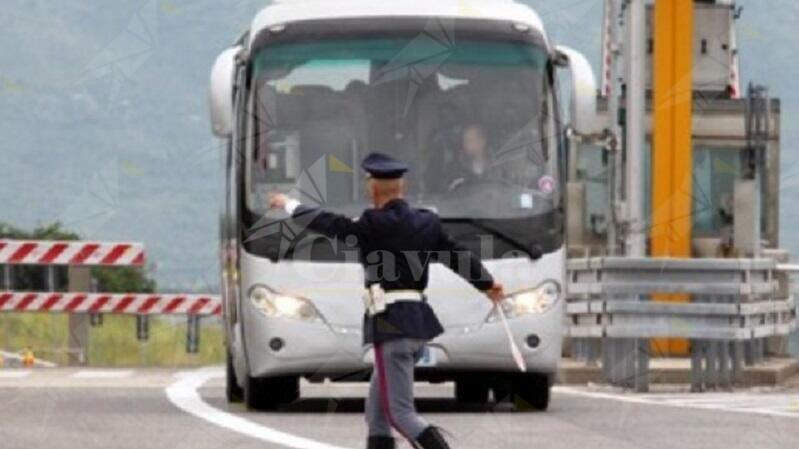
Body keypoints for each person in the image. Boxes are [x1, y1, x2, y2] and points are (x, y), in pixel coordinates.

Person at [268, 152, 504, 449]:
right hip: (417, 324)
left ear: (372, 188)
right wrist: (487, 284)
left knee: (400, 414)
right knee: (377, 414)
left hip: (391, 328)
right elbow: (457, 257)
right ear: (402, 188)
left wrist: (289, 205)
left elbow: (328, 223)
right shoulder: (427, 223)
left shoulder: (371, 224)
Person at [446, 124, 494, 191]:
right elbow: (447, 195)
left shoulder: (496, 165)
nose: (465, 144)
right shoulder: (454, 169)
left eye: (470, 140)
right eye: (464, 141)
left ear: (482, 142)